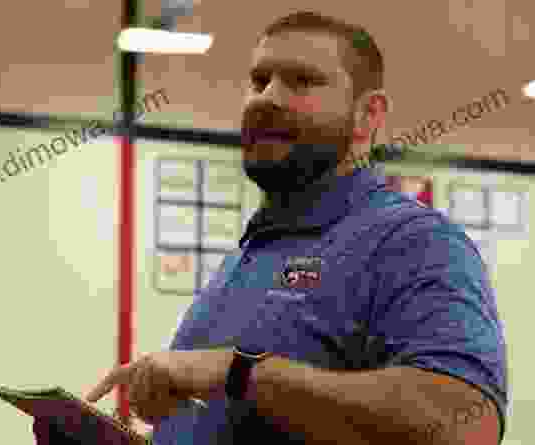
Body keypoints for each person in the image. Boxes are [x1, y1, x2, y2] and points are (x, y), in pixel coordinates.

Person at [34, 11, 508, 445]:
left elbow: (469, 422)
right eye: (259, 80)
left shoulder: (414, 242)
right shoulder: (251, 252)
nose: (268, 98)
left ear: (369, 115)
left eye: (301, 81)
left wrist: (237, 372)